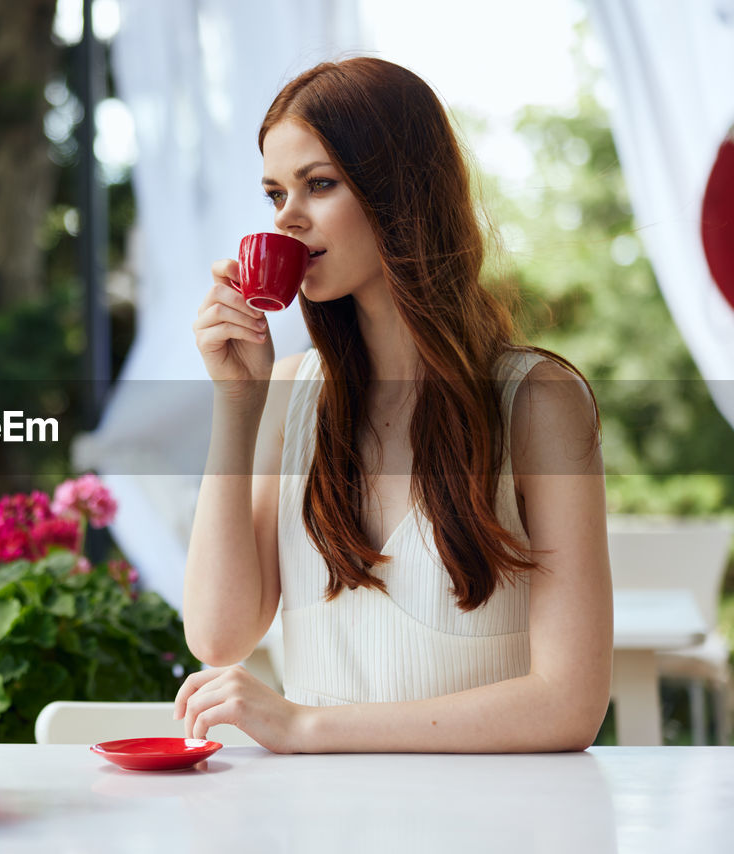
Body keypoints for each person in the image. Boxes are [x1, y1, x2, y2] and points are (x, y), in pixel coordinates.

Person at [174, 57, 613, 753]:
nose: (286, 217)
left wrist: (307, 726)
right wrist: (237, 404)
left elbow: (569, 705)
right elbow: (218, 634)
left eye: (318, 185)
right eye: (274, 194)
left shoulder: (537, 403)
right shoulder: (288, 395)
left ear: (401, 191)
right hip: (324, 823)